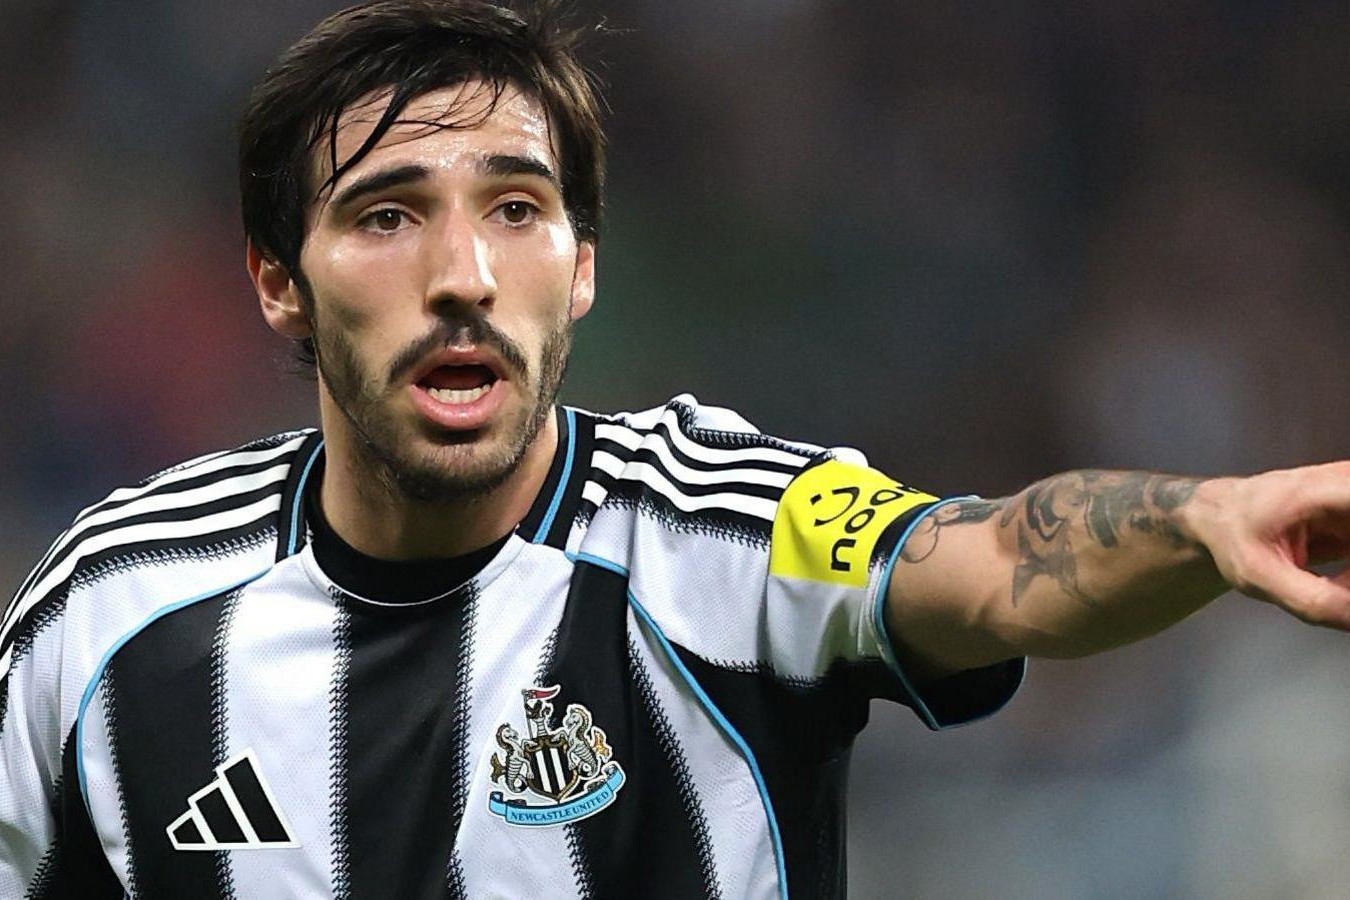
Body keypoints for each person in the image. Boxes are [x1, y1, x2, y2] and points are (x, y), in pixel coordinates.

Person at [3, 2, 1349, 898]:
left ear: (582, 269)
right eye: (387, 216)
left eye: (516, 209)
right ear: (277, 282)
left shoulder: (722, 531)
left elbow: (993, 561)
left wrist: (1200, 521)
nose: (465, 273)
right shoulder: (111, 611)